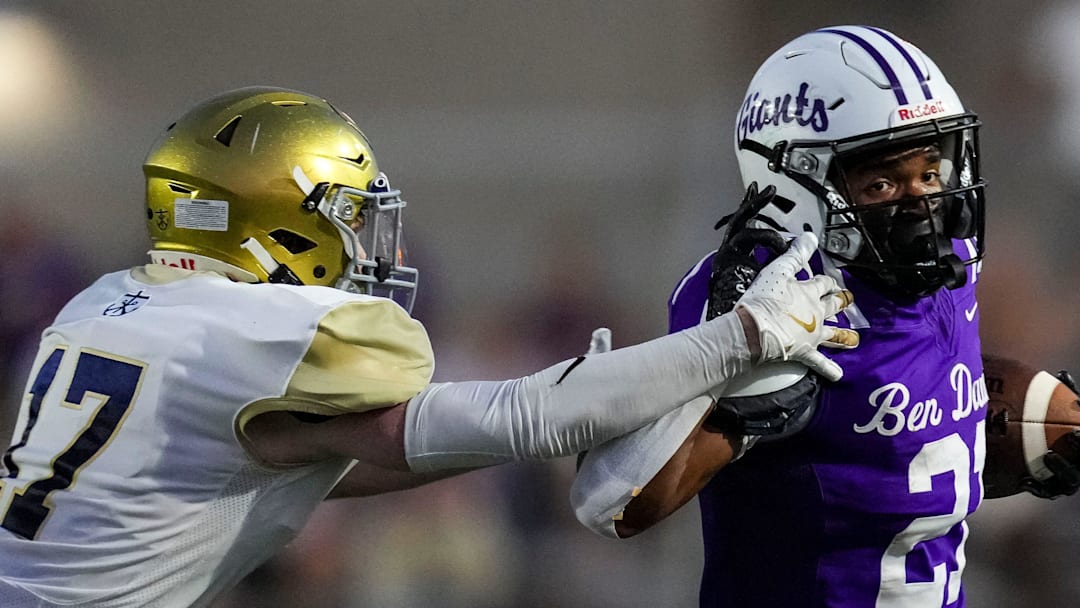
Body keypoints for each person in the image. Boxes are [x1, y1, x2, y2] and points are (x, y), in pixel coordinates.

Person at [0, 86, 858, 607]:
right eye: (347, 216)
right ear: (280, 226)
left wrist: (580, 401)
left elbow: (344, 458)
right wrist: (751, 333)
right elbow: (524, 416)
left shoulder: (104, 302)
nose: (372, 245)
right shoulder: (256, 333)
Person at [571, 25, 1080, 607]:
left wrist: (1026, 422)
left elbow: (896, 396)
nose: (922, 206)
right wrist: (737, 407)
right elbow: (621, 505)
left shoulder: (953, 261)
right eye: (884, 182)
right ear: (794, 183)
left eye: (930, 173)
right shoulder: (761, 295)